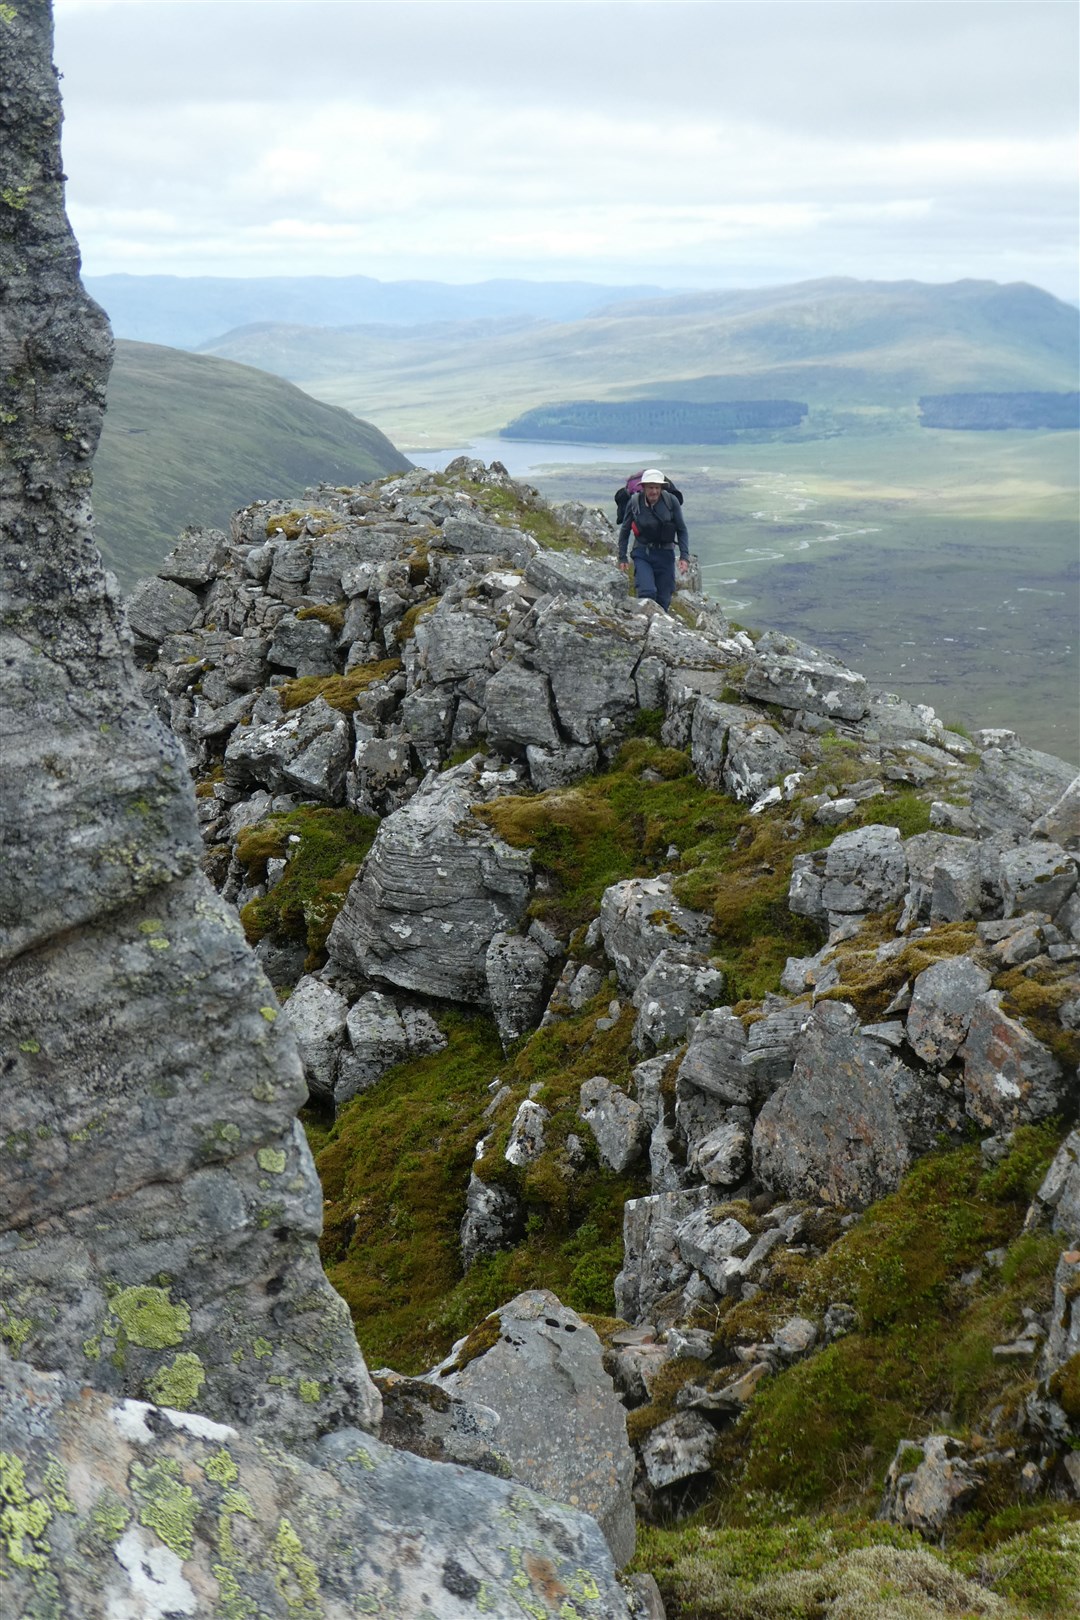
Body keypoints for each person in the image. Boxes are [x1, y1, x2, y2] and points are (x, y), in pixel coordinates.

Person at [617, 468, 689, 611]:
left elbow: (681, 529)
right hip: (643, 553)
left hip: (665, 554)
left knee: (664, 599)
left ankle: (658, 629)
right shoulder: (635, 502)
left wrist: (684, 557)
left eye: (657, 487)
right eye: (650, 487)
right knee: (646, 593)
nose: (654, 491)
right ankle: (641, 626)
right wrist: (622, 557)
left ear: (662, 488)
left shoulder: (671, 501)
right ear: (643, 487)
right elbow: (625, 530)